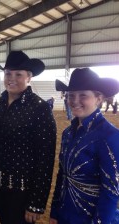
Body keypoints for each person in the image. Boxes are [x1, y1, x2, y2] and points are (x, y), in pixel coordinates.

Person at [0, 51, 57, 224]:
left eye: (18, 74)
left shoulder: (40, 108)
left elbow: (45, 159)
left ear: (29, 77)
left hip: (23, 192)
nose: (12, 78)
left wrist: (36, 203)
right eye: (8, 73)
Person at [51, 68, 119, 224]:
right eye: (71, 95)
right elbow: (62, 175)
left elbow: (110, 191)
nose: (75, 101)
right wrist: (54, 212)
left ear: (98, 98)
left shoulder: (110, 136)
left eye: (83, 95)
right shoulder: (67, 133)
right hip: (64, 214)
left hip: (90, 219)